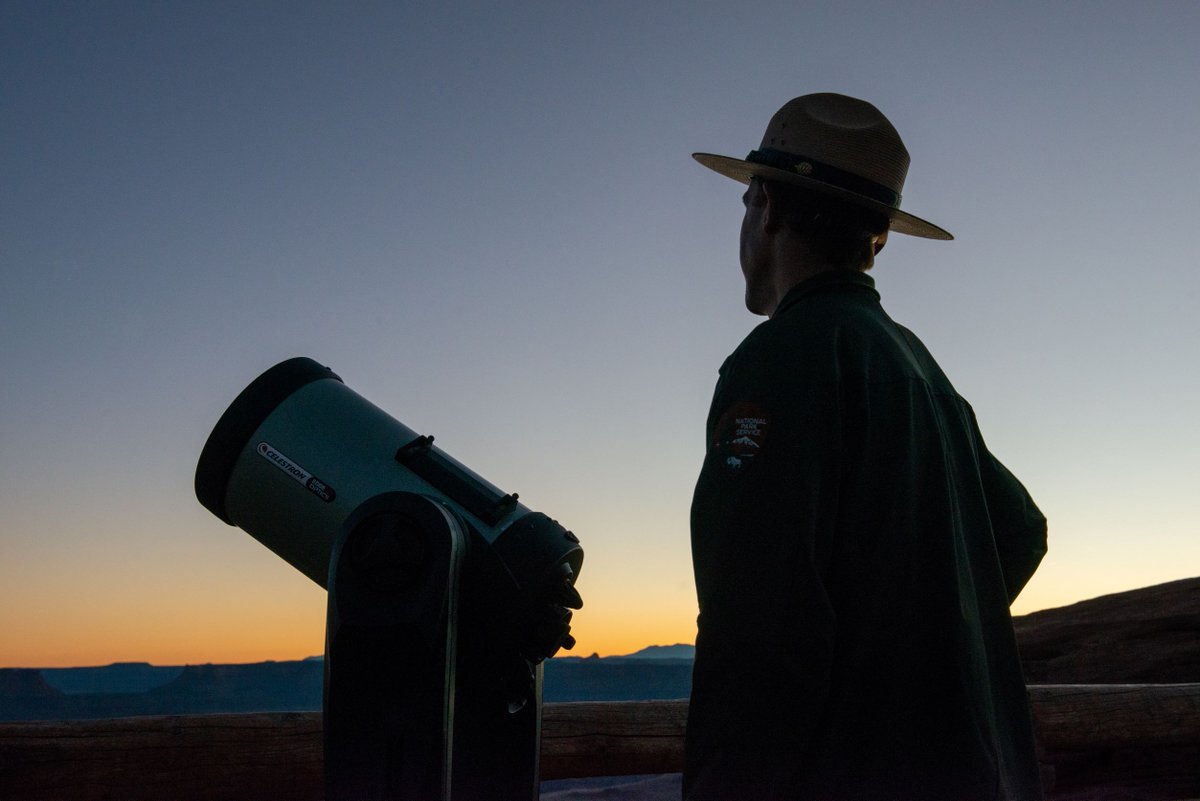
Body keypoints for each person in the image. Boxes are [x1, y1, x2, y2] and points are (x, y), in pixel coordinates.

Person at [684, 93, 1048, 801]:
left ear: (763, 205)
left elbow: (760, 626)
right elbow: (1019, 530)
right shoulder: (918, 368)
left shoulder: (780, 360)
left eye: (745, 207)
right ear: (876, 238)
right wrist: (918, 653)